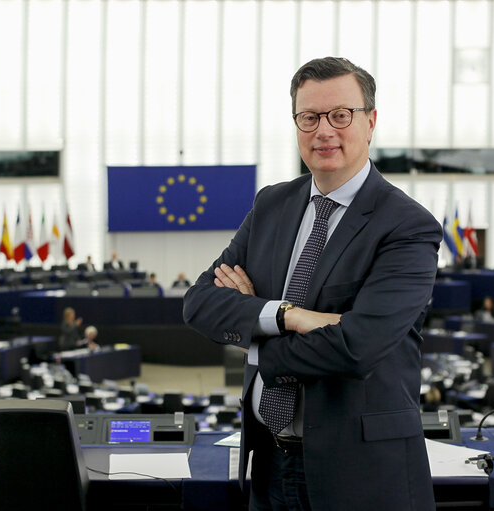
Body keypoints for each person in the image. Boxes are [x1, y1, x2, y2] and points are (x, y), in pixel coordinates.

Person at [183, 57, 440, 511]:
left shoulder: (407, 226)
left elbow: (357, 347)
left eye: (341, 115)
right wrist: (287, 315)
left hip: (361, 474)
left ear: (370, 121)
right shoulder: (271, 205)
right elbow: (200, 303)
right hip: (269, 466)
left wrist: (256, 341)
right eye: (310, 117)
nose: (324, 130)